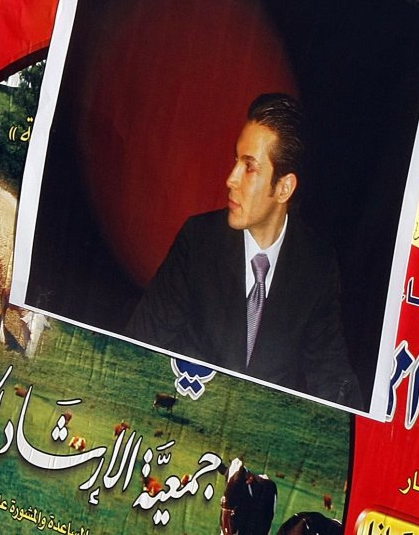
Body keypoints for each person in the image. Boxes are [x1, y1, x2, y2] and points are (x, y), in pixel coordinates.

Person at [125, 94, 358, 406]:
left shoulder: (316, 266)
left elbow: (332, 379)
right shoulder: (198, 242)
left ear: (284, 188)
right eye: (236, 160)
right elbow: (140, 342)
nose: (230, 179)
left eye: (249, 167)